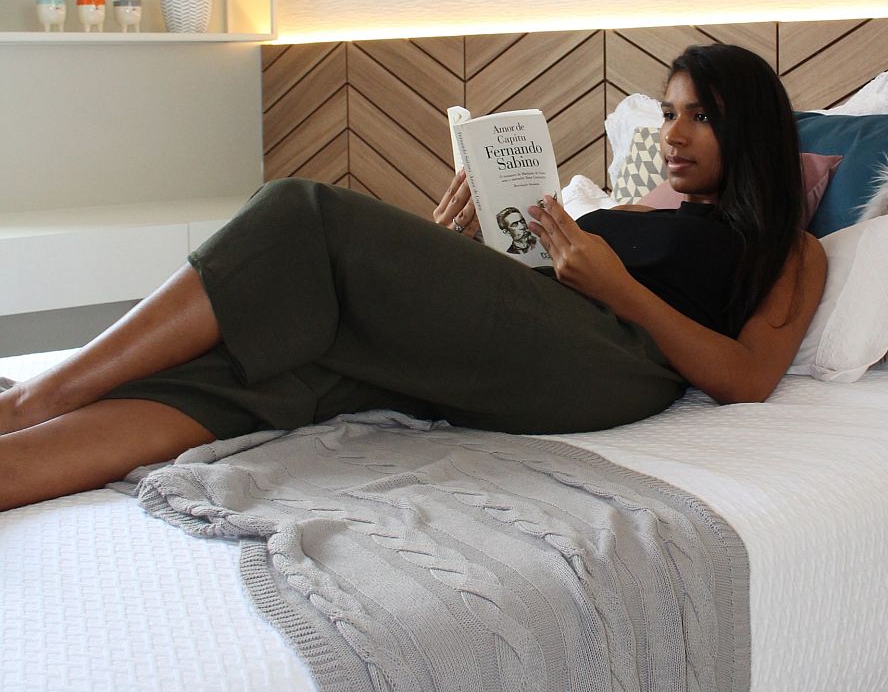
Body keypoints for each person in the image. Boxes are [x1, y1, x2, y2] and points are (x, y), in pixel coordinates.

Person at [0, 43, 826, 512]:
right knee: (284, 361)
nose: (674, 132)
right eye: (669, 110)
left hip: (614, 365)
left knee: (302, 212)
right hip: (547, 333)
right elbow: (533, 292)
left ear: (747, 127)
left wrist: (616, 288)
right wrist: (446, 254)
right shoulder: (642, 210)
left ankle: (35, 400)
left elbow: (747, 379)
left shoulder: (789, 248)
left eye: (701, 115)